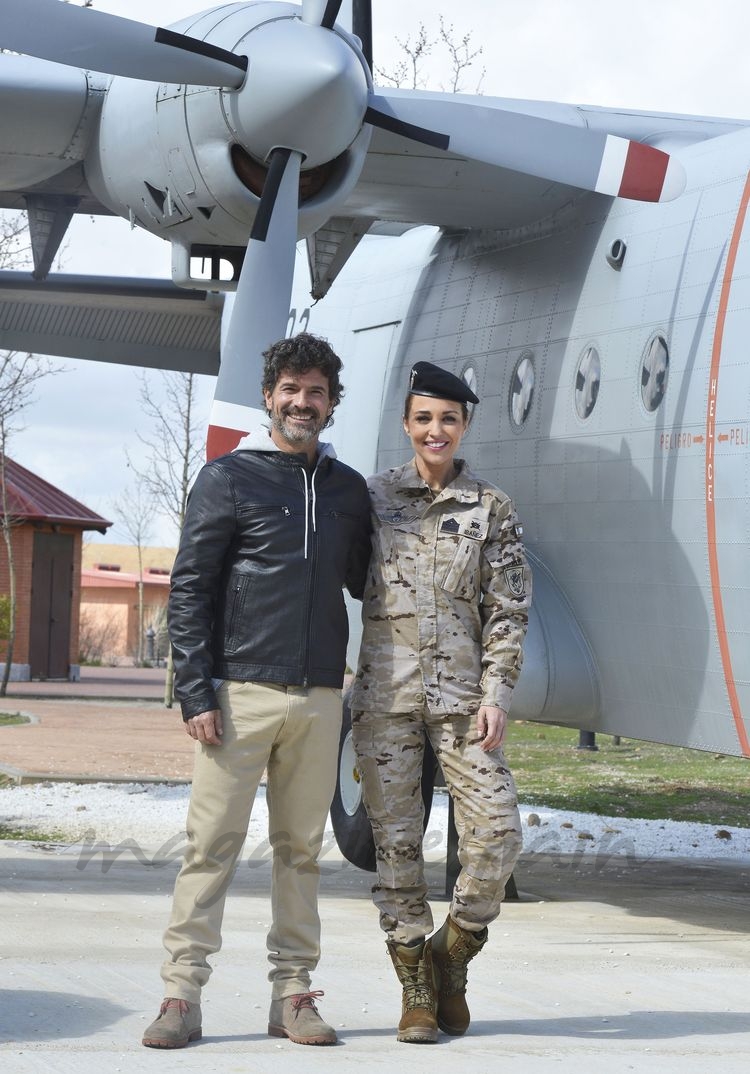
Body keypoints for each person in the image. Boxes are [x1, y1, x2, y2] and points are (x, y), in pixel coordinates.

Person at [142, 333, 371, 1049]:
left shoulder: (348, 490)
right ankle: (181, 995)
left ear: (332, 404)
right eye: (292, 390)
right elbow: (191, 587)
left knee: (300, 851)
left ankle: (293, 995)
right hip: (237, 694)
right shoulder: (228, 478)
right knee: (210, 845)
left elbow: (369, 582)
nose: (303, 403)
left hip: (318, 698)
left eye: (317, 392)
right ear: (270, 395)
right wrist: (195, 691)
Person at [349, 360, 531, 1044]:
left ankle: (451, 957)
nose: (435, 430)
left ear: (464, 425)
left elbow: (508, 608)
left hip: (463, 705)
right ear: (406, 424)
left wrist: (498, 693)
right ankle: (416, 993)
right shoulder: (369, 500)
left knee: (498, 835)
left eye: (448, 419)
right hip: (385, 699)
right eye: (423, 418)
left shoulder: (492, 508)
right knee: (397, 848)